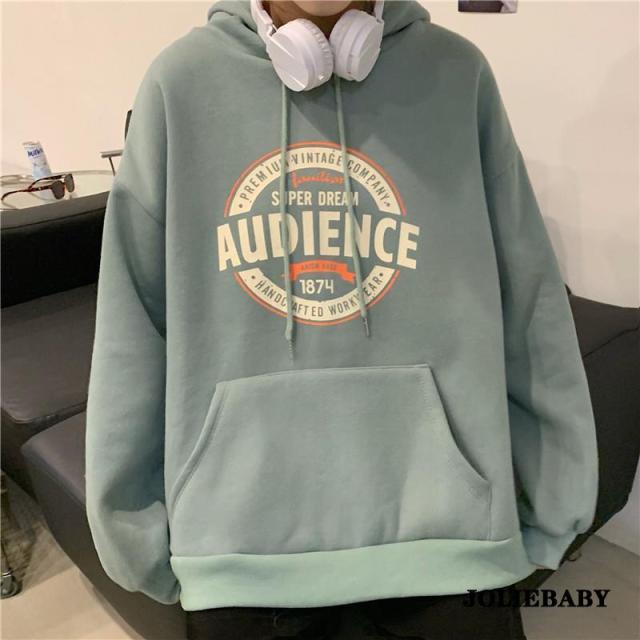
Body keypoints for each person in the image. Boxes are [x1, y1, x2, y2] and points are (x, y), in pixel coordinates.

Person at [84, 1, 599, 639]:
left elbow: (529, 305)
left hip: (453, 549)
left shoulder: (458, 76)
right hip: (240, 559)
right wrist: (131, 529)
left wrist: (556, 499)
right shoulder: (179, 83)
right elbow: (132, 327)